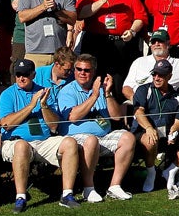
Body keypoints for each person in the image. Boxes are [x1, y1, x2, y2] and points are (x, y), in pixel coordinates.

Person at [0, 59, 80, 212]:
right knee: (22, 146)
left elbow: (54, 125)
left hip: (43, 140)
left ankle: (67, 194)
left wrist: (43, 105)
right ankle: (21, 197)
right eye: (18, 74)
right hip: (15, 142)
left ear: (33, 75)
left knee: (70, 143)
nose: (21, 78)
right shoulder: (7, 94)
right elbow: (6, 124)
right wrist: (31, 105)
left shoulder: (45, 92)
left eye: (25, 74)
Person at [56, 53, 136, 202]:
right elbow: (73, 116)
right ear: (74, 71)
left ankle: (115, 186)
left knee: (128, 138)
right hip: (76, 139)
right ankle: (89, 188)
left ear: (93, 72)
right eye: (78, 69)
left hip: (103, 136)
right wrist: (93, 96)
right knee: (91, 140)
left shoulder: (101, 90)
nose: (82, 73)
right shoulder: (67, 91)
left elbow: (117, 116)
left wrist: (107, 93)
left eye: (86, 70)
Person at [76, 0, 146, 88]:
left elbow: (140, 17)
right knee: (93, 82)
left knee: (118, 83)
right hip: (96, 42)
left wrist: (132, 31)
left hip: (120, 42)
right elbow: (80, 13)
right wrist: (102, 1)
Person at [131, 58, 179, 196]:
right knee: (150, 138)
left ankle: (170, 171)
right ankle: (151, 172)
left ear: (169, 77)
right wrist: (149, 128)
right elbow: (138, 112)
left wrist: (174, 131)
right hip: (143, 134)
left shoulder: (177, 95)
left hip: (166, 135)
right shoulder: (144, 89)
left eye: (161, 75)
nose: (157, 78)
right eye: (154, 74)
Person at [17, 0, 76, 67]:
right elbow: (22, 16)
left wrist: (56, 10)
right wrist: (43, 7)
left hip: (59, 53)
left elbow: (72, 19)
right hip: (35, 53)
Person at [121, 29, 179, 101]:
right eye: (153, 42)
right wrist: (136, 100)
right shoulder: (139, 62)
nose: (156, 44)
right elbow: (126, 87)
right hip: (139, 107)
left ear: (168, 44)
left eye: (160, 41)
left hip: (165, 109)